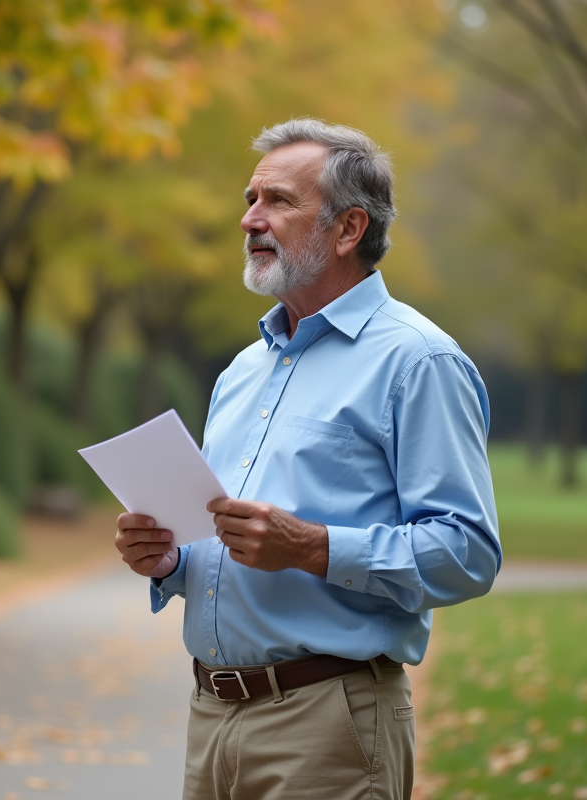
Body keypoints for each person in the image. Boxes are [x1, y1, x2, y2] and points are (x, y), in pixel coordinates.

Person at [114, 118, 501, 800]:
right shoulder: (241, 371)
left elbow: (467, 553)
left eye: (277, 202)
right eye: (249, 198)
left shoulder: (418, 360)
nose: (249, 219)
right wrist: (170, 559)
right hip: (211, 721)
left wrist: (313, 547)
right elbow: (229, 538)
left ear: (350, 228)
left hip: (328, 725)